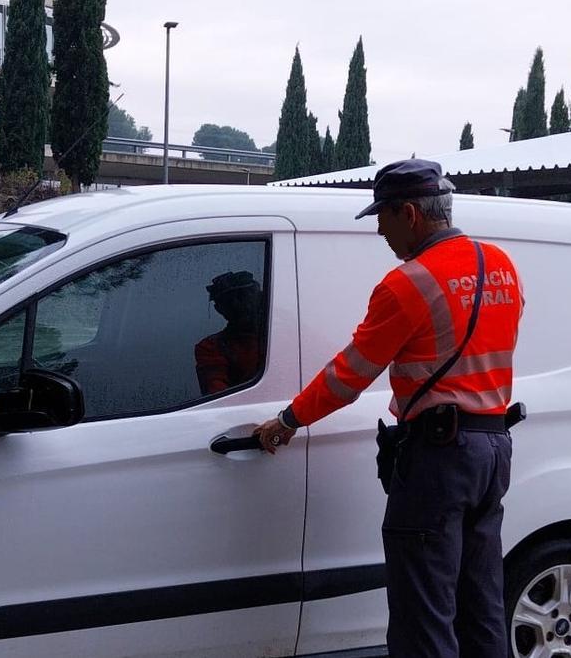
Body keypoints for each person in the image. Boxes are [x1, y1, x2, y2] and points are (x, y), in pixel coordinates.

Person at [253, 159, 524, 658]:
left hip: (440, 460)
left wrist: (289, 419)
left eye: (383, 216)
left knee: (424, 613)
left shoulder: (407, 285)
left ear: (410, 214)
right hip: (494, 450)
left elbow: (348, 375)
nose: (379, 228)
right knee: (482, 601)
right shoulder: (501, 266)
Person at [195, 271, 265, 395]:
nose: (237, 305)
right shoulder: (211, 347)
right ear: (219, 309)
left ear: (260, 297)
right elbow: (218, 395)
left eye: (243, 296)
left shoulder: (285, 331)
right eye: (228, 300)